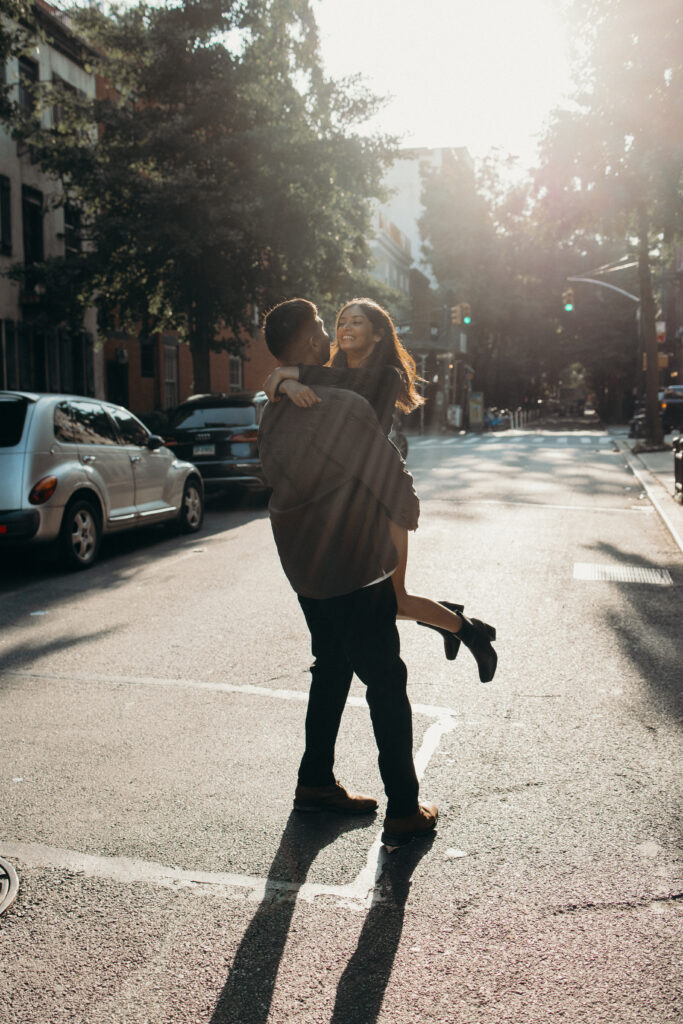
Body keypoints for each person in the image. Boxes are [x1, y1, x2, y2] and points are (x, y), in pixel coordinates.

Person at [259, 297, 437, 850]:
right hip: (355, 568)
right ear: (313, 344)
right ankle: (405, 810)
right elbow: (393, 486)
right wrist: (406, 516)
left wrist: (283, 383)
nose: (331, 333)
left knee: (331, 666)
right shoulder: (346, 408)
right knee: (386, 681)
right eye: (324, 327)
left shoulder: (274, 411)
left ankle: (314, 782)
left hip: (303, 567)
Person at [264, 297, 498, 683]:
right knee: (382, 602)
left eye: (357, 322)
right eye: (340, 322)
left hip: (387, 494)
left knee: (393, 599)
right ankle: (457, 624)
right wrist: (288, 382)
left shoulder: (384, 374)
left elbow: (348, 387)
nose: (345, 329)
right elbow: (311, 389)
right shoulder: (330, 370)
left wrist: (291, 375)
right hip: (358, 499)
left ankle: (469, 632)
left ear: (377, 334)